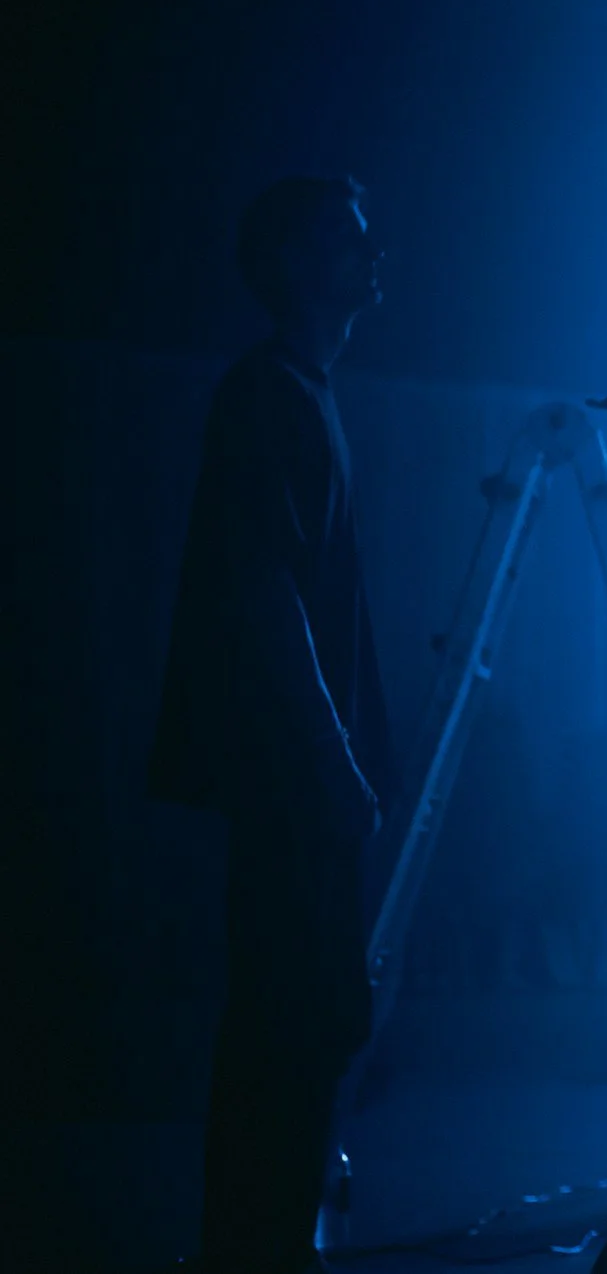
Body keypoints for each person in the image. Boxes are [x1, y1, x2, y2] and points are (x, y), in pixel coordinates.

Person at [150, 175, 393, 1274]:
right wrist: (334, 762)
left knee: (310, 1020)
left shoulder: (301, 394)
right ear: (298, 266)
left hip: (301, 780)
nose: (370, 254)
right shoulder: (267, 397)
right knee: (289, 1029)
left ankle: (261, 1245)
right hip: (289, 782)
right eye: (347, 241)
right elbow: (266, 592)